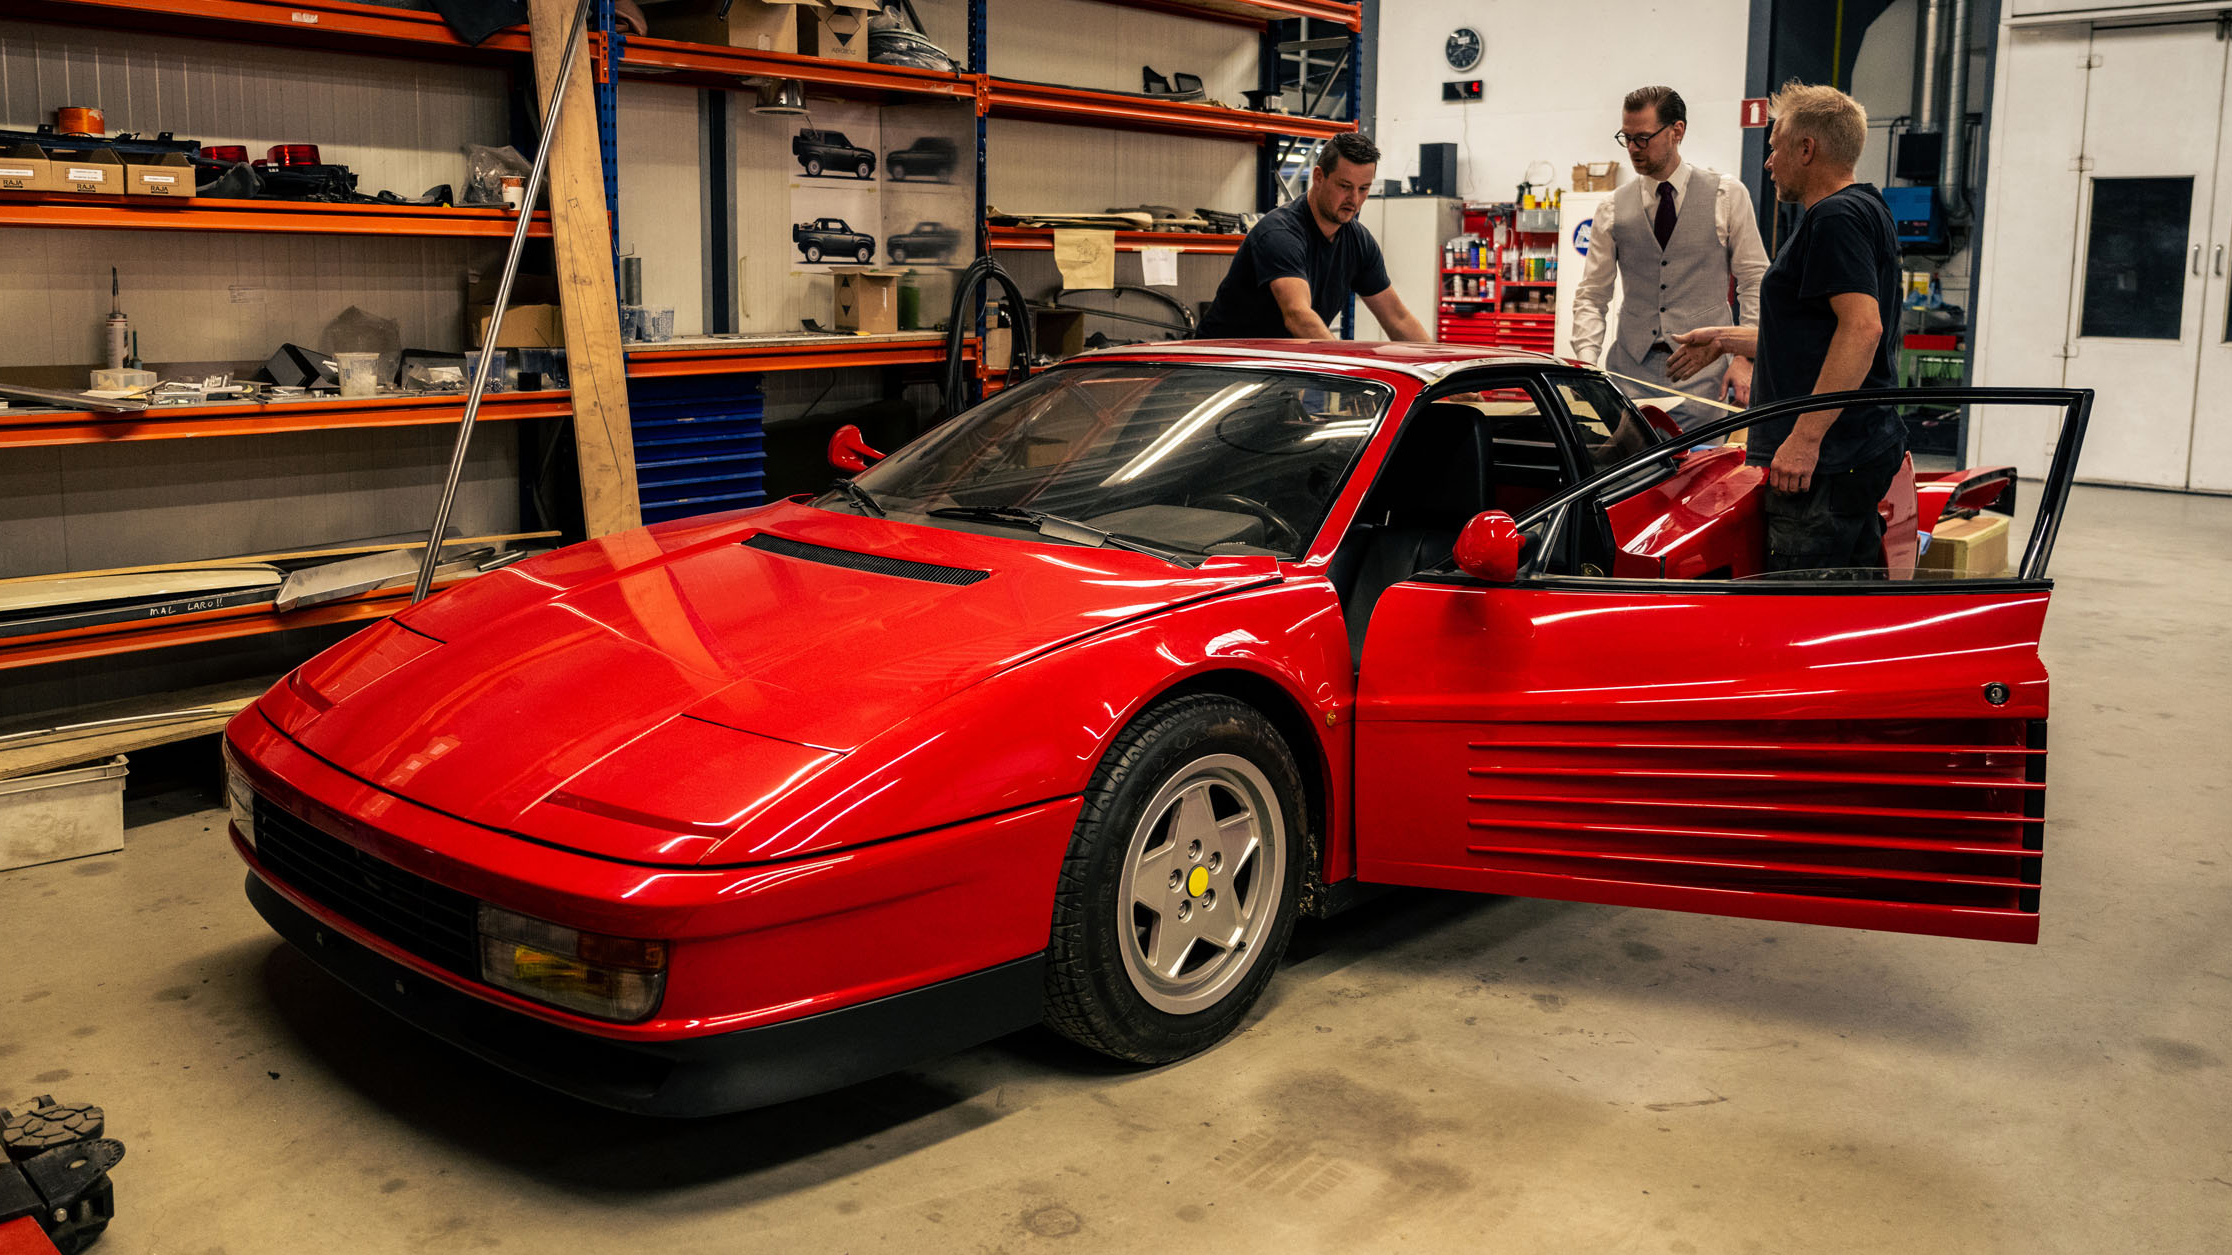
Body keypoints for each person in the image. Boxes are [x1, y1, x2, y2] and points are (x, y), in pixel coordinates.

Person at [1668, 80, 1906, 578]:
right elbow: (1816, 333)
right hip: (1852, 451)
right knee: (1850, 605)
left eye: (1775, 148)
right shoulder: (1865, 208)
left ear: (1806, 148)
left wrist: (1804, 438)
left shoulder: (1835, 218)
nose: (1768, 163)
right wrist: (1726, 339)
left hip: (1825, 465)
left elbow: (1862, 331)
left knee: (1799, 605)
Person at [1570, 85, 1768, 427]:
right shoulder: (1612, 208)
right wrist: (1588, 364)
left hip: (1705, 379)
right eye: (1626, 137)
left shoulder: (1726, 195)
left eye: (1643, 138)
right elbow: (1592, 294)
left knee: (1699, 474)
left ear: (1677, 131)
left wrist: (1744, 358)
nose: (1632, 149)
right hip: (1629, 377)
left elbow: (1754, 281)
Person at [1197, 133, 1430, 341]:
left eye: (1363, 188)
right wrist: (1343, 368)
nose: (1354, 199)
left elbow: (1398, 319)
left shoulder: (1359, 242)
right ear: (1319, 177)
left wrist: (1442, 380)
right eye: (1345, 186)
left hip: (1280, 370)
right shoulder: (1280, 233)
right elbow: (1298, 316)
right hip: (1222, 369)